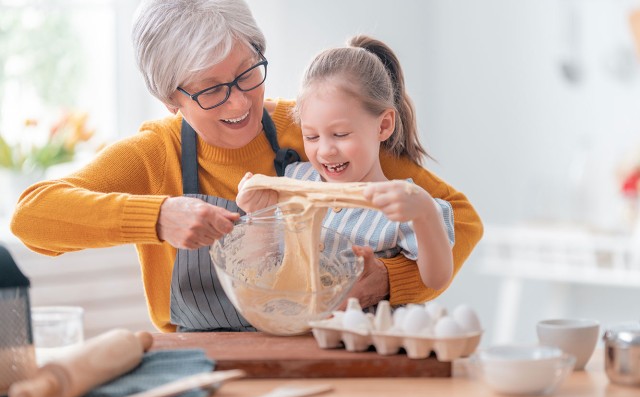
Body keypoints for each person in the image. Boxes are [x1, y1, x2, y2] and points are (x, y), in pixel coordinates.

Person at [10, 0, 483, 333]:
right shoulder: (155, 154)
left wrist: (387, 280)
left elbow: (458, 218)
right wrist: (157, 217)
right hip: (204, 360)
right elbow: (31, 216)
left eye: (246, 73)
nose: (239, 102)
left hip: (328, 345)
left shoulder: (314, 129)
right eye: (210, 89)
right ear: (170, 98)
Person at [237, 35, 453, 292]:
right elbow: (256, 276)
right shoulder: (292, 182)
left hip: (365, 332)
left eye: (340, 134)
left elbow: (436, 279)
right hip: (291, 328)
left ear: (383, 125)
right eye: (312, 136)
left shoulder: (404, 205)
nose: (326, 151)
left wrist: (425, 214)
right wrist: (258, 215)